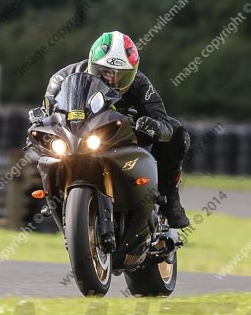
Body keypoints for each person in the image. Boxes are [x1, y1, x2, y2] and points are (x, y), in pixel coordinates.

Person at [41, 30, 190, 229]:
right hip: (79, 136)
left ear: (133, 72)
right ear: (93, 65)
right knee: (43, 149)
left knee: (178, 132)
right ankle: (54, 198)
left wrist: (154, 126)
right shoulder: (63, 78)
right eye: (106, 72)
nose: (112, 80)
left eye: (122, 75)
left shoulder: (140, 84)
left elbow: (163, 123)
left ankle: (169, 196)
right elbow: (45, 113)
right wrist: (39, 121)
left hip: (122, 138)